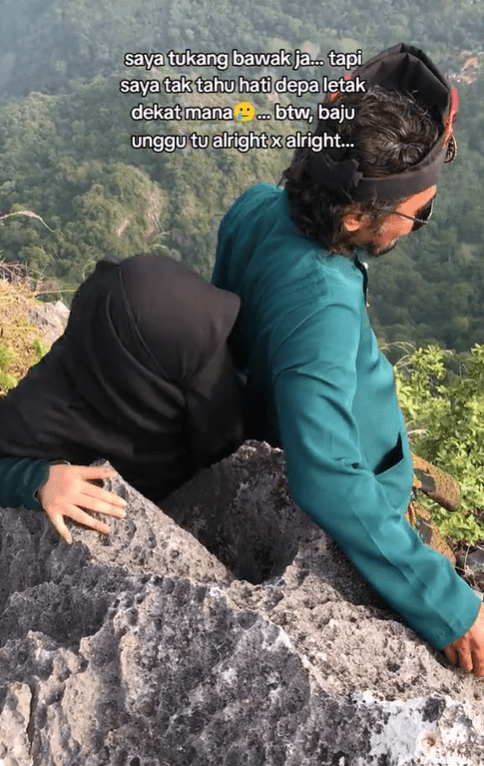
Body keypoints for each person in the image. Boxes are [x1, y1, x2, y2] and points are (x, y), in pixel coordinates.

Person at [210, 43, 484, 677]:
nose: (419, 226)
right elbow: (327, 476)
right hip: (355, 478)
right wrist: (448, 602)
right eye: (419, 214)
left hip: (310, 415)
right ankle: (403, 509)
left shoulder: (257, 204)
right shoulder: (323, 305)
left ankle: (403, 473)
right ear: (359, 214)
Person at [0, 253, 245, 542]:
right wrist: (37, 480)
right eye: (196, 362)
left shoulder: (214, 363)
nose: (214, 371)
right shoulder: (42, 410)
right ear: (136, 367)